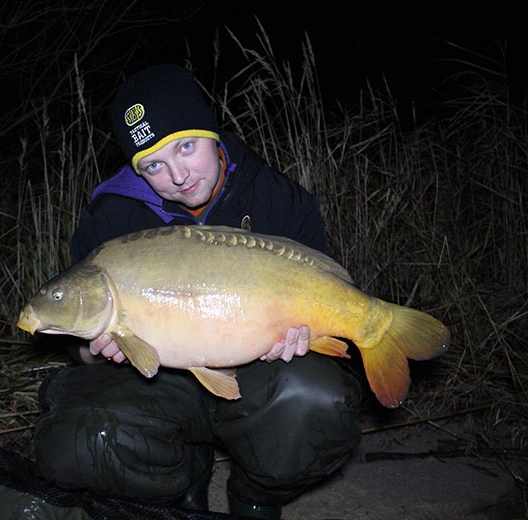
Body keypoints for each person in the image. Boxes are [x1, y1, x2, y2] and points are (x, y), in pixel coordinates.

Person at [34, 63, 362, 519]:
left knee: (317, 399)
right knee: (80, 441)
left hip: (259, 375)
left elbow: (328, 291)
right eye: (153, 166)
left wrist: (308, 339)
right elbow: (80, 349)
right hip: (157, 386)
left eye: (185, 147)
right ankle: (182, 479)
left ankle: (257, 495)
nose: (178, 176)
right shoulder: (110, 218)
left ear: (211, 132)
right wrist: (94, 349)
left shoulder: (278, 197)